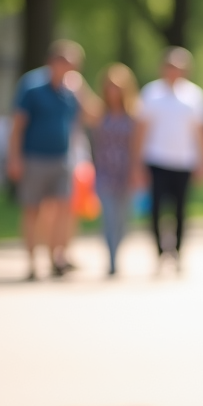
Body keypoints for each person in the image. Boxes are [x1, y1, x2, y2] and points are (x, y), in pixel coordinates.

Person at [6, 40, 99, 280]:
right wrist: (14, 158)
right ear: (53, 61)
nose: (71, 69)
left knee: (63, 209)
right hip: (34, 158)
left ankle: (56, 258)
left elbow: (93, 116)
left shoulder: (71, 91)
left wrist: (82, 88)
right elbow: (17, 126)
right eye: (67, 63)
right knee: (33, 210)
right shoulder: (32, 86)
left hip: (62, 158)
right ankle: (31, 262)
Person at [134, 47, 203, 266]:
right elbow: (141, 130)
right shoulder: (151, 93)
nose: (174, 71)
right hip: (156, 159)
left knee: (180, 209)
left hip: (184, 161)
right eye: (170, 66)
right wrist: (137, 163)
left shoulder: (195, 95)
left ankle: (177, 250)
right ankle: (159, 250)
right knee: (156, 207)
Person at [88, 63, 140, 276]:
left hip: (126, 172)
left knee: (123, 220)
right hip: (105, 172)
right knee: (108, 217)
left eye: (118, 87)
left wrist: (137, 171)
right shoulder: (99, 113)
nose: (113, 91)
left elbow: (138, 146)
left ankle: (117, 250)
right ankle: (111, 260)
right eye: (109, 86)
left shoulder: (135, 116)